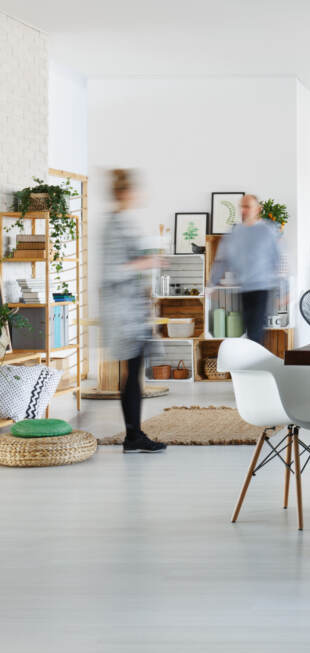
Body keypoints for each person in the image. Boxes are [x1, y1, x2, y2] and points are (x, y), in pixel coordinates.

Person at [98, 169, 166, 453]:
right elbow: (112, 271)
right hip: (123, 313)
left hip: (130, 310)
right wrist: (146, 263)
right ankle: (133, 436)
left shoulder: (120, 221)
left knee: (134, 373)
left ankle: (134, 435)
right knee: (133, 372)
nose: (140, 195)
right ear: (125, 193)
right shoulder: (116, 225)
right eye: (135, 190)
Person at [206, 194, 284, 346]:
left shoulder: (267, 230)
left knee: (254, 336)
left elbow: (277, 259)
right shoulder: (236, 232)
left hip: (262, 288)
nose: (243, 210)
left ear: (257, 209)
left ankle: (256, 367)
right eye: (242, 207)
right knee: (250, 334)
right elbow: (222, 259)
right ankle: (255, 366)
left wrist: (284, 291)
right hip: (244, 289)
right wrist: (211, 284)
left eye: (247, 206)